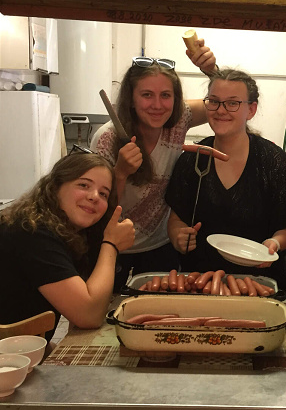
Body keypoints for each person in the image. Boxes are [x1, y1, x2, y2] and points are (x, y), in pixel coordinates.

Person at [165, 67, 286, 295]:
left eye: (232, 103)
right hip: (200, 286)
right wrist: (178, 235)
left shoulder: (275, 163)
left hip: (260, 287)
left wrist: (276, 243)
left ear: (251, 109)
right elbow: (176, 218)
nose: (221, 110)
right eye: (214, 101)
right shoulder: (192, 159)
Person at [91, 54, 215, 291]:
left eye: (165, 95)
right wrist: (120, 173)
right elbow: (98, 208)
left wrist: (211, 71)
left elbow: (221, 103)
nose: (157, 105)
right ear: (131, 99)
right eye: (147, 95)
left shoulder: (179, 119)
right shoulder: (107, 138)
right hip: (113, 244)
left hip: (160, 245)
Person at [0, 152, 135, 340]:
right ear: (55, 187)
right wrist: (111, 244)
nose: (94, 197)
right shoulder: (31, 231)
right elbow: (88, 315)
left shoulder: (72, 234)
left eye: (103, 194)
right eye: (83, 185)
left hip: (26, 347)